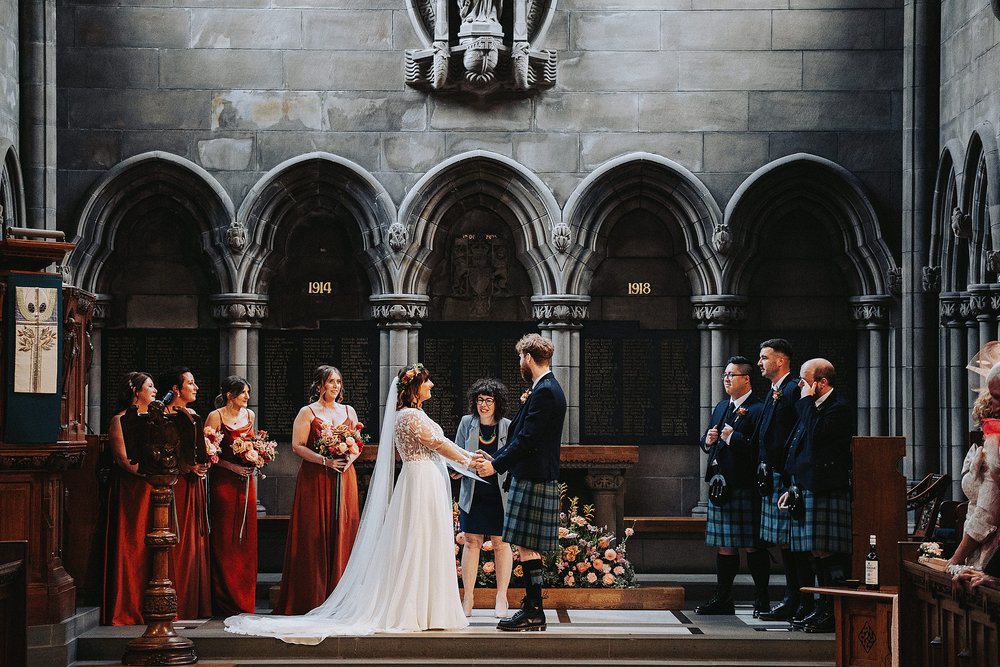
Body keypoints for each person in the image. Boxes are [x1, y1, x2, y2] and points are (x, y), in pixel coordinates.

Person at [225, 363, 476, 641]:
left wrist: (348, 457)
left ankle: (429, 608)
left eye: (338, 382)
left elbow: (358, 444)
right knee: (416, 538)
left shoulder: (400, 413)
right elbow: (437, 444)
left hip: (385, 476)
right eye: (427, 382)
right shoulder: (408, 417)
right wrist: (470, 460)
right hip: (393, 478)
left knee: (420, 539)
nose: (432, 387)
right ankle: (410, 606)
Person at [474, 333, 567, 632]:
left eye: (520, 358)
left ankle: (534, 611)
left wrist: (495, 465)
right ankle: (532, 607)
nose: (519, 363)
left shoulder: (546, 392)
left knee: (527, 548)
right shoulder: (544, 388)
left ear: (528, 358)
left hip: (534, 477)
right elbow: (521, 437)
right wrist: (495, 457)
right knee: (529, 548)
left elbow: (527, 440)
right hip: (533, 475)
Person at [273, 366, 362, 615]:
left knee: (344, 529)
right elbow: (297, 446)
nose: (335, 386)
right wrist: (326, 461)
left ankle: (341, 595)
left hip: (344, 476)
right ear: (319, 385)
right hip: (316, 477)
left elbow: (356, 444)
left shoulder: (349, 411)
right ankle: (313, 595)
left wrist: (348, 462)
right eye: (330, 382)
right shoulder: (308, 412)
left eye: (338, 382)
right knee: (315, 531)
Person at [779, 358, 854, 633]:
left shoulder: (838, 408)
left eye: (805, 380)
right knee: (814, 552)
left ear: (822, 383)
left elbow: (818, 435)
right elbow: (797, 447)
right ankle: (819, 608)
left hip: (826, 488)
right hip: (807, 486)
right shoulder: (812, 407)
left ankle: (831, 611)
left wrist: (805, 402)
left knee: (826, 552)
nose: (800, 385)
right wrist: (792, 486)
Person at [694, 356, 765, 616]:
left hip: (744, 484)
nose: (726, 379)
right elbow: (708, 440)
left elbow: (758, 447)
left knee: (751, 544)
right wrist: (708, 440)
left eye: (731, 375)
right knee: (725, 544)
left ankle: (762, 598)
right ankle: (723, 597)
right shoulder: (722, 406)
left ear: (746, 379)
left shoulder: (758, 408)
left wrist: (733, 437)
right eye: (725, 374)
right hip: (720, 486)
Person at [753, 339, 810, 623]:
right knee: (785, 543)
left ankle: (798, 599)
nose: (760, 362)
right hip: (771, 474)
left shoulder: (793, 389)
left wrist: (790, 478)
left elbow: (799, 433)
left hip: (786, 476)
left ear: (781, 360)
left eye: (765, 357)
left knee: (793, 542)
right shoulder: (774, 390)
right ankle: (792, 596)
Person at [453, 377, 512, 618]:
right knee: (471, 541)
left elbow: (513, 459)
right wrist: (463, 466)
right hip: (473, 492)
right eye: (480, 400)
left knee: (501, 543)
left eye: (489, 400)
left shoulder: (508, 425)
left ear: (498, 403)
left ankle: (502, 598)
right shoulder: (467, 423)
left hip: (499, 493)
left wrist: (492, 463)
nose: (484, 405)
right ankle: (468, 598)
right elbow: (455, 453)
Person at [102, 371, 157, 625]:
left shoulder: (156, 419)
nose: (155, 391)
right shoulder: (119, 420)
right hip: (132, 490)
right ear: (136, 391)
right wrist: (152, 475)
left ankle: (153, 605)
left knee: (154, 547)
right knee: (132, 543)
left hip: (154, 489)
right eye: (150, 386)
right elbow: (123, 459)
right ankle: (127, 606)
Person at [159, 366, 212, 620]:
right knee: (173, 539)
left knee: (192, 541)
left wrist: (204, 462)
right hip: (173, 485)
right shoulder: (161, 416)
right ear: (176, 389)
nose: (196, 387)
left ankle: (190, 602)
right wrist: (186, 466)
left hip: (193, 484)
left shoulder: (193, 415)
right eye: (190, 383)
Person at [204, 376, 258, 616]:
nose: (247, 397)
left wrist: (257, 456)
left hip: (246, 481)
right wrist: (233, 467)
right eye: (243, 393)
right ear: (229, 394)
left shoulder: (250, 417)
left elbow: (254, 444)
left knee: (245, 538)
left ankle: (244, 598)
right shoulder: (215, 417)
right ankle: (223, 599)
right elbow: (209, 454)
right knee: (225, 538)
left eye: (248, 392)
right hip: (224, 482)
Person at [948, 364, 1000, 571]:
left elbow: (988, 512)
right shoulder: (987, 447)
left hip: (990, 552)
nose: (994, 407)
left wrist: (956, 558)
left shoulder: (995, 450)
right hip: (978, 544)